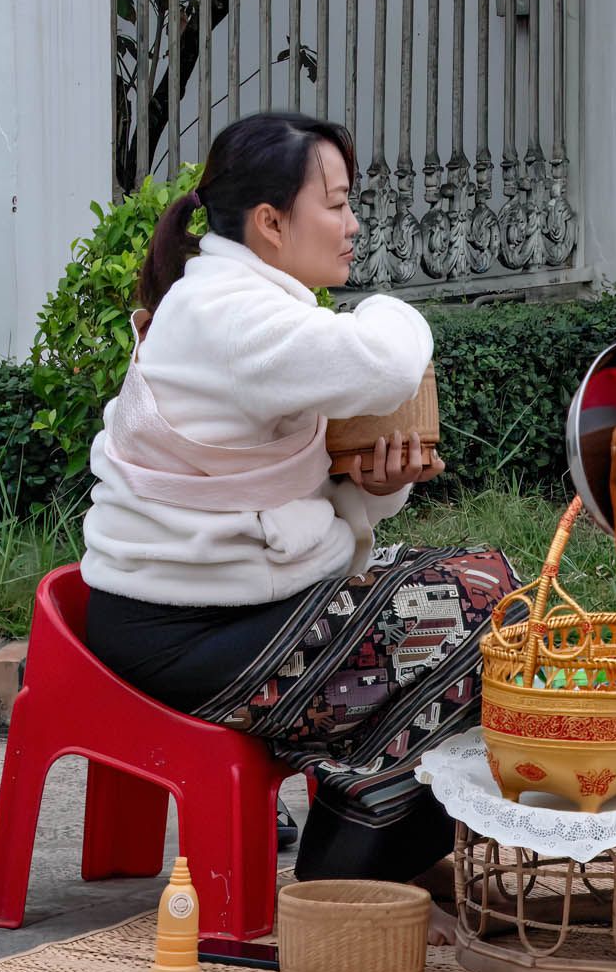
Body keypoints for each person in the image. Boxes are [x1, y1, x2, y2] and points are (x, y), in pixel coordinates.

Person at [81, 112, 507, 902]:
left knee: (485, 585)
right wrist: (390, 309)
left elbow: (271, 497)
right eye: (337, 204)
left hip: (225, 607)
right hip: (182, 633)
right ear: (271, 223)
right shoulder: (229, 314)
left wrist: (371, 493)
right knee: (483, 618)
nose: (353, 225)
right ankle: (348, 870)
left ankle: (378, 835)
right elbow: (387, 360)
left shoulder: (244, 303)